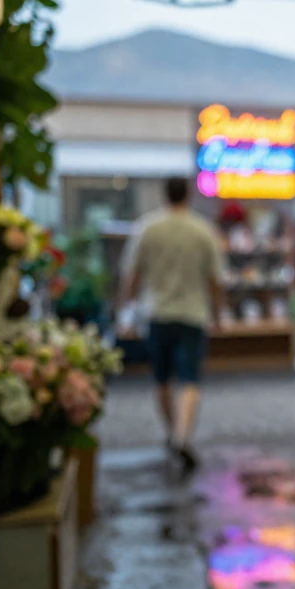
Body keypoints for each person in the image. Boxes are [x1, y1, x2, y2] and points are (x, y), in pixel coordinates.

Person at [120, 176, 226, 476]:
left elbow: (131, 275)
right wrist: (219, 315)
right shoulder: (203, 230)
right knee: (190, 378)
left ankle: (171, 433)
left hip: (156, 312)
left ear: (164, 194)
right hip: (193, 313)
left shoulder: (147, 228)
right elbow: (215, 278)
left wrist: (125, 310)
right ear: (189, 195)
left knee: (162, 377)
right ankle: (183, 435)